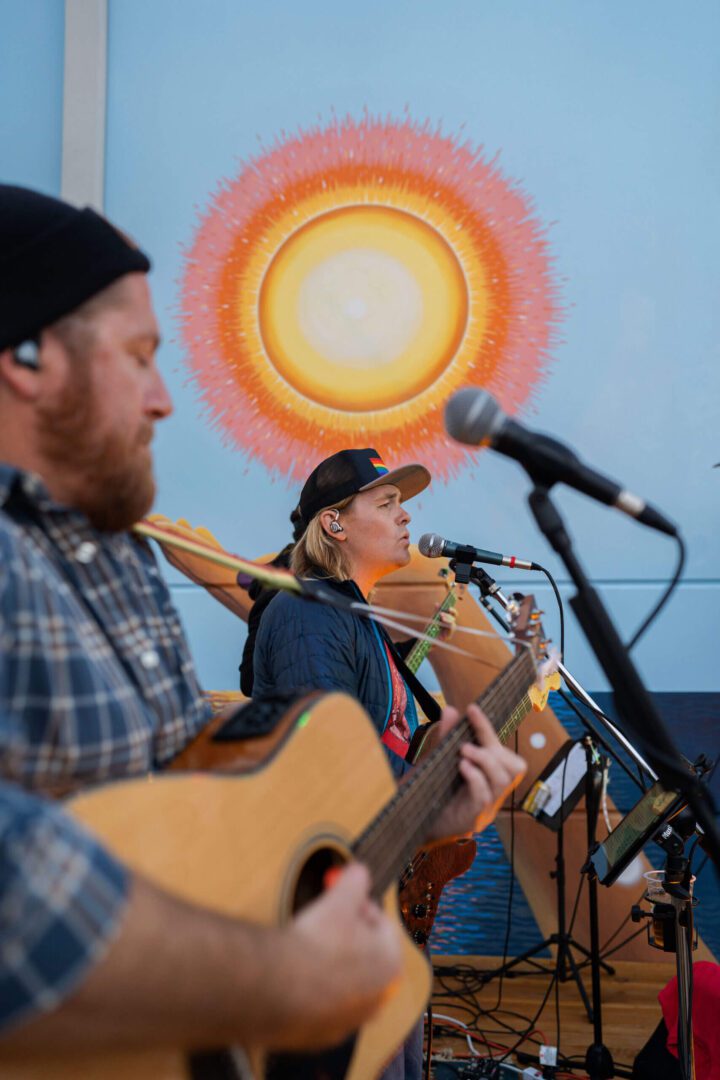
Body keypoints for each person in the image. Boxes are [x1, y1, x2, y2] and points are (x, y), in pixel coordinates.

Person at [0, 185, 525, 1066]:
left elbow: (206, 811)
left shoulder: (115, 557)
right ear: (27, 359)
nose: (163, 400)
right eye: (138, 356)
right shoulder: (302, 617)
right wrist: (271, 975)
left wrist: (421, 816)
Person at [252, 448, 526, 1077]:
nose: (406, 516)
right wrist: (434, 799)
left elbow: (383, 745)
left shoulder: (354, 617)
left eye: (403, 504)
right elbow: (329, 757)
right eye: (387, 503)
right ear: (334, 524)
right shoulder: (308, 614)